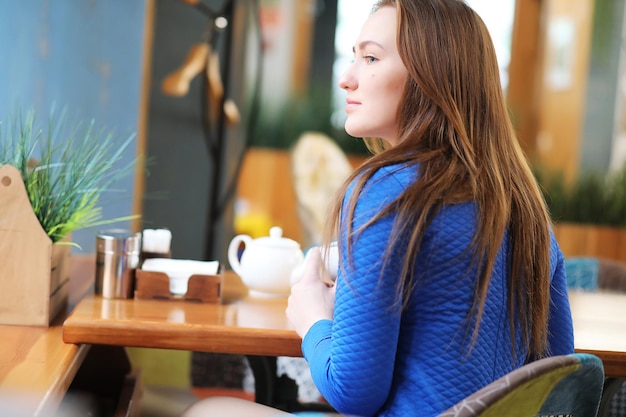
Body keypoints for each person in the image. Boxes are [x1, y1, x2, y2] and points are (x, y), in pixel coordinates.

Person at [181, 0, 574, 416]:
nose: (346, 79)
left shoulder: (388, 195)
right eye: (353, 57)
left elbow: (352, 392)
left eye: (370, 58)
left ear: (432, 76)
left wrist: (313, 316)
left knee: (210, 411)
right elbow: (557, 376)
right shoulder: (526, 207)